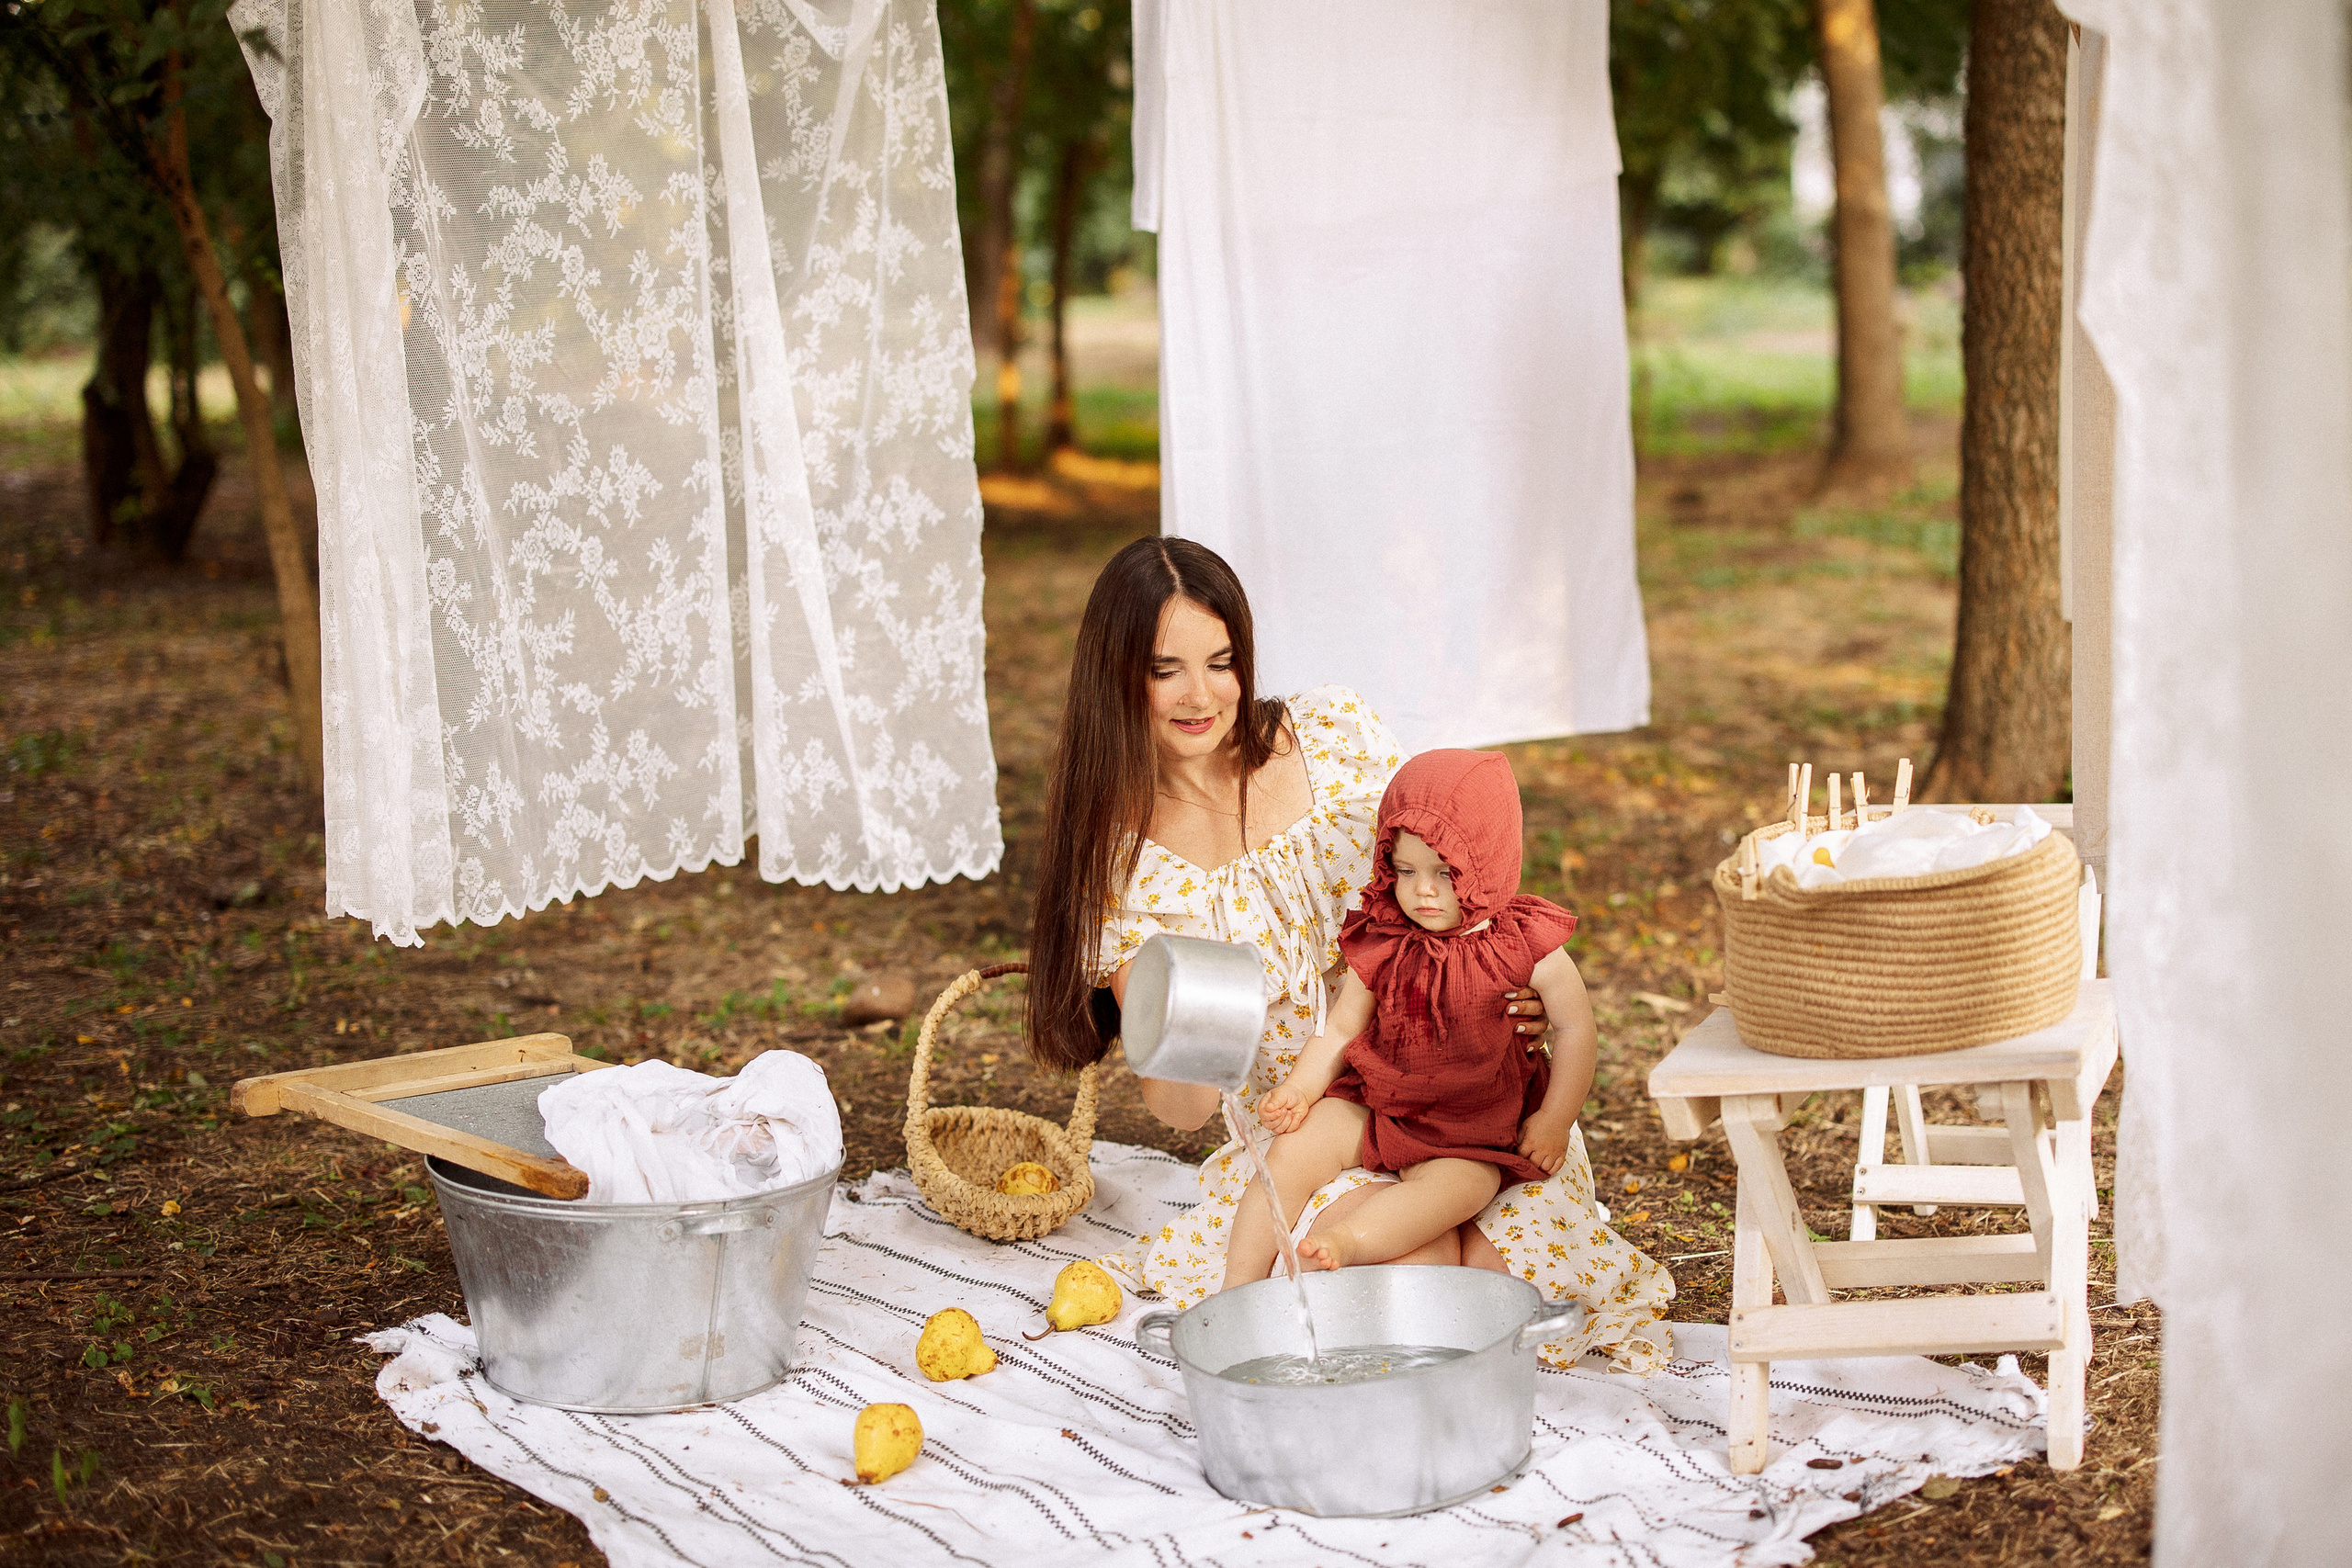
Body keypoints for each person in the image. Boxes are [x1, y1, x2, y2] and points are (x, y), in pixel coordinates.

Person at [1023, 537, 1672, 1371]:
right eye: (1165, 669)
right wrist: (1169, 1011)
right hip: (1317, 1127)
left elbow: (1455, 869)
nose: (1202, 695)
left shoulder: (1331, 738)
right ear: (1117, 676)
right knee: (1397, 1272)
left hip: (1460, 1102)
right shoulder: (1124, 866)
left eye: (1223, 662)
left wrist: (1513, 985)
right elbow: (1180, 1108)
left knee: (1503, 1269)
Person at [1227, 749, 1592, 1286]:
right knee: (1292, 1151)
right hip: (1379, 1103)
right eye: (1405, 870)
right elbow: (1343, 1028)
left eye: (1446, 873)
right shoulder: (1386, 937)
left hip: (1470, 1129)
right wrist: (1303, 1089)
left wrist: (1555, 1118)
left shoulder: (1524, 946)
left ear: (1488, 864)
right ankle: (1236, 1285)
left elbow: (1577, 1028)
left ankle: (1348, 1242)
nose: (1422, 889)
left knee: (1459, 1188)